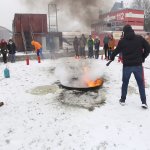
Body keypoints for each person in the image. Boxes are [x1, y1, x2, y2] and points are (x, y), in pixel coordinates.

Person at [110, 24, 150, 109]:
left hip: (127, 66)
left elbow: (117, 50)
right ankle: (144, 102)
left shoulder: (122, 41)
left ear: (124, 32)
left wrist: (112, 57)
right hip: (137, 66)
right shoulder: (139, 38)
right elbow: (148, 48)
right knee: (140, 84)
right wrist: (143, 57)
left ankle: (123, 100)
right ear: (132, 30)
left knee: (125, 83)